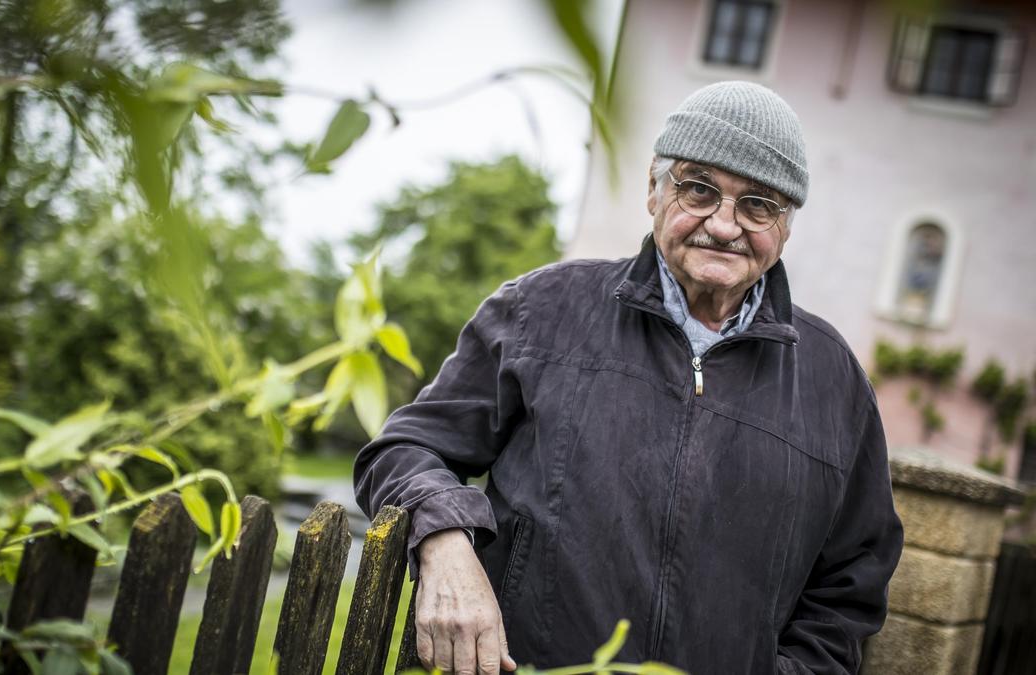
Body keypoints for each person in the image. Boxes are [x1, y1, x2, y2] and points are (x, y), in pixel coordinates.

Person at [353, 81, 903, 675]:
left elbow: (852, 581)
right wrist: (445, 540)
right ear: (654, 188)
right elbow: (404, 449)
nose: (722, 225)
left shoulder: (835, 381)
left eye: (758, 204)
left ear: (786, 226)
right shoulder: (540, 310)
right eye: (699, 188)